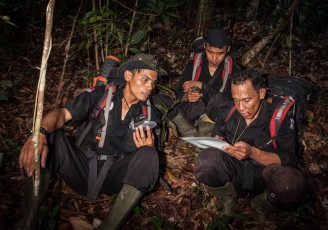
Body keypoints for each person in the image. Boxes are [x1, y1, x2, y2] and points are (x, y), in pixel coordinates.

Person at [18, 53, 167, 229]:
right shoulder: (100, 96)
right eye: (145, 79)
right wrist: (39, 133)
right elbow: (62, 114)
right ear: (128, 75)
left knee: (149, 155)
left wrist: (148, 150)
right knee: (49, 136)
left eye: (153, 83)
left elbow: (148, 162)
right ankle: (28, 220)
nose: (150, 87)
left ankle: (110, 225)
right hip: (81, 167)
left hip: (115, 177)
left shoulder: (150, 115)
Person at [194, 70, 307, 221]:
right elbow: (218, 135)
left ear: (261, 93)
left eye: (247, 100)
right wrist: (218, 142)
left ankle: (262, 204)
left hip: (264, 176)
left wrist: (253, 152)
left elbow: (288, 159)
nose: (241, 107)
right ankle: (227, 198)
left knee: (292, 184)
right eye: (236, 100)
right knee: (206, 160)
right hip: (236, 172)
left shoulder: (279, 118)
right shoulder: (227, 111)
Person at [172, 28, 240, 138]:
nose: (214, 58)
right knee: (167, 104)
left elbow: (231, 103)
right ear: (205, 46)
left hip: (216, 119)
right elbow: (178, 95)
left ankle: (206, 134)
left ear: (227, 50)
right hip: (192, 114)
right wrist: (186, 96)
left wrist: (204, 87)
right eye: (210, 52)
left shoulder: (235, 71)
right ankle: (189, 132)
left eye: (220, 53)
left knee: (218, 100)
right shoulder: (193, 66)